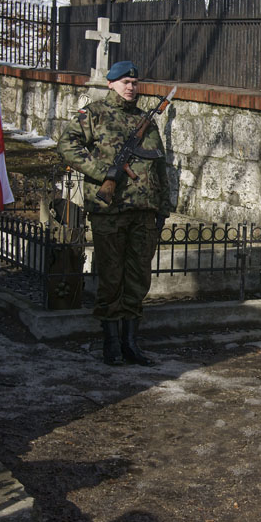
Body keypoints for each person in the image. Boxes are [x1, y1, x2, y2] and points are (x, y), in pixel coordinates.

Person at [57, 61, 171, 366]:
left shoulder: (147, 121)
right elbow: (67, 145)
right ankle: (110, 342)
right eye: (124, 81)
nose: (131, 87)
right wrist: (100, 171)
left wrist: (164, 205)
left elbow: (160, 165)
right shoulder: (94, 114)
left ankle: (130, 342)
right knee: (111, 276)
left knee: (138, 278)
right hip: (111, 210)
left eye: (134, 81)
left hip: (144, 211)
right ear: (110, 83)